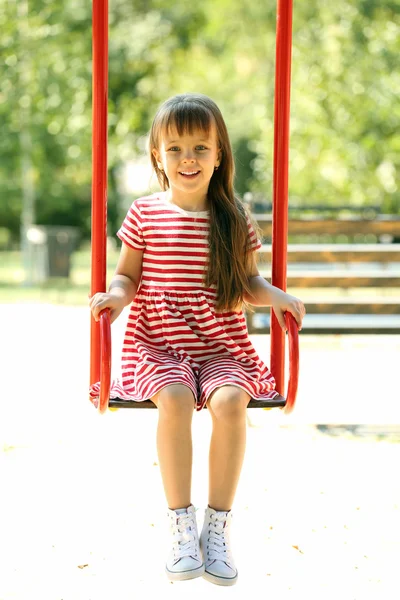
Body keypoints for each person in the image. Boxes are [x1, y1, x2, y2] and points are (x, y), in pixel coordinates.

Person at [89, 93, 305, 586]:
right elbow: (127, 276)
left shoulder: (233, 217)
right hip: (157, 343)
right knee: (176, 396)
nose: (188, 159)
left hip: (220, 344)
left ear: (219, 154)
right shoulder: (145, 214)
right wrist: (114, 298)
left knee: (231, 402)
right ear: (157, 156)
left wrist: (277, 296)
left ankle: (217, 526)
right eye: (175, 149)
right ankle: (180, 523)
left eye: (200, 148)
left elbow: (249, 284)